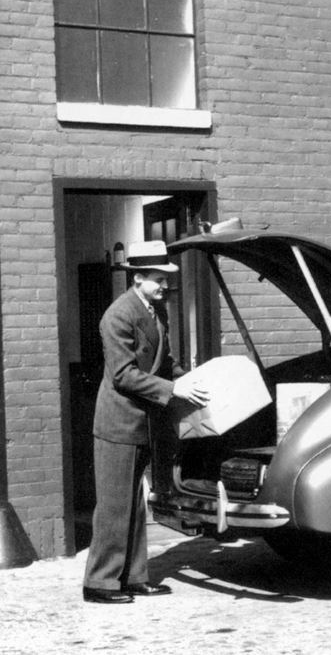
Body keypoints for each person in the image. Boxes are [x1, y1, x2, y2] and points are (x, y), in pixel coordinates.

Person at [82, 240, 209, 604]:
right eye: (157, 279)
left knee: (134, 503)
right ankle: (100, 582)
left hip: (145, 421)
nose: (164, 286)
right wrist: (174, 388)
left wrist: (193, 381)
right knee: (114, 505)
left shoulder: (156, 312)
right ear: (137, 278)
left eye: (166, 279)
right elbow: (123, 375)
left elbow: (166, 362)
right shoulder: (117, 316)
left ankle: (134, 577)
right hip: (118, 423)